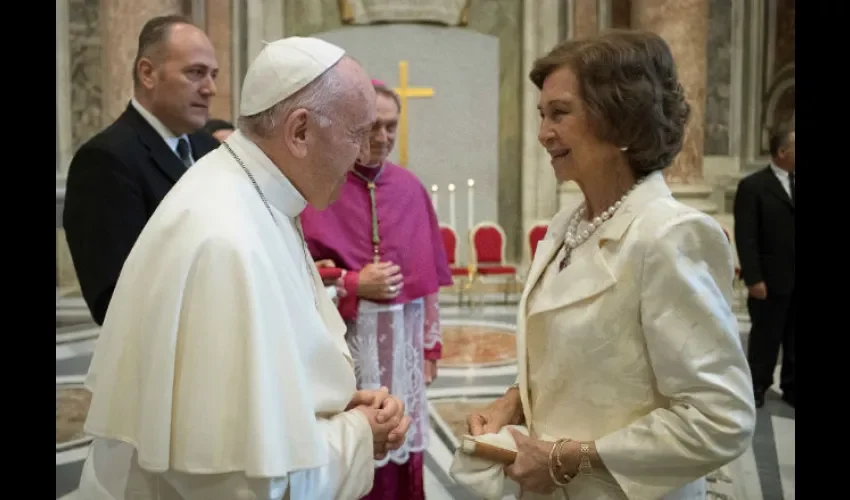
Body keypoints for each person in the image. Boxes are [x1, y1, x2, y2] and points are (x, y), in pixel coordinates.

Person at [75, 36, 411, 500]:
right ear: (299, 131)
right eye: (356, 133)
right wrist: (357, 433)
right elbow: (239, 483)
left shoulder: (254, 194)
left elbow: (263, 382)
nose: (361, 156)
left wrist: (327, 406)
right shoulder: (225, 239)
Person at [463, 30, 756, 500]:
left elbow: (720, 419)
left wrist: (565, 459)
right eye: (542, 115)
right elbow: (580, 353)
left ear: (621, 121)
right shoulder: (565, 227)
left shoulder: (669, 234)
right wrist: (515, 401)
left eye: (560, 113)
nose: (543, 134)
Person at [300, 79, 453, 500]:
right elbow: (299, 276)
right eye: (372, 127)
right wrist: (353, 283)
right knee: (354, 445)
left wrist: (429, 350)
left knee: (402, 441)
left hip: (402, 345)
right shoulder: (321, 188)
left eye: (391, 126)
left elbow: (428, 283)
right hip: (345, 351)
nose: (382, 137)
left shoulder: (410, 188)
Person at [63, 15, 221, 326]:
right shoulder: (105, 160)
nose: (210, 89)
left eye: (213, 74)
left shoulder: (211, 150)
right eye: (196, 73)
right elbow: (113, 298)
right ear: (148, 73)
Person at [733, 122, 796, 408]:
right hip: (769, 280)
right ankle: (757, 384)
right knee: (765, 338)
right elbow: (746, 237)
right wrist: (753, 278)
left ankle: (792, 386)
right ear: (782, 151)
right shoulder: (753, 186)